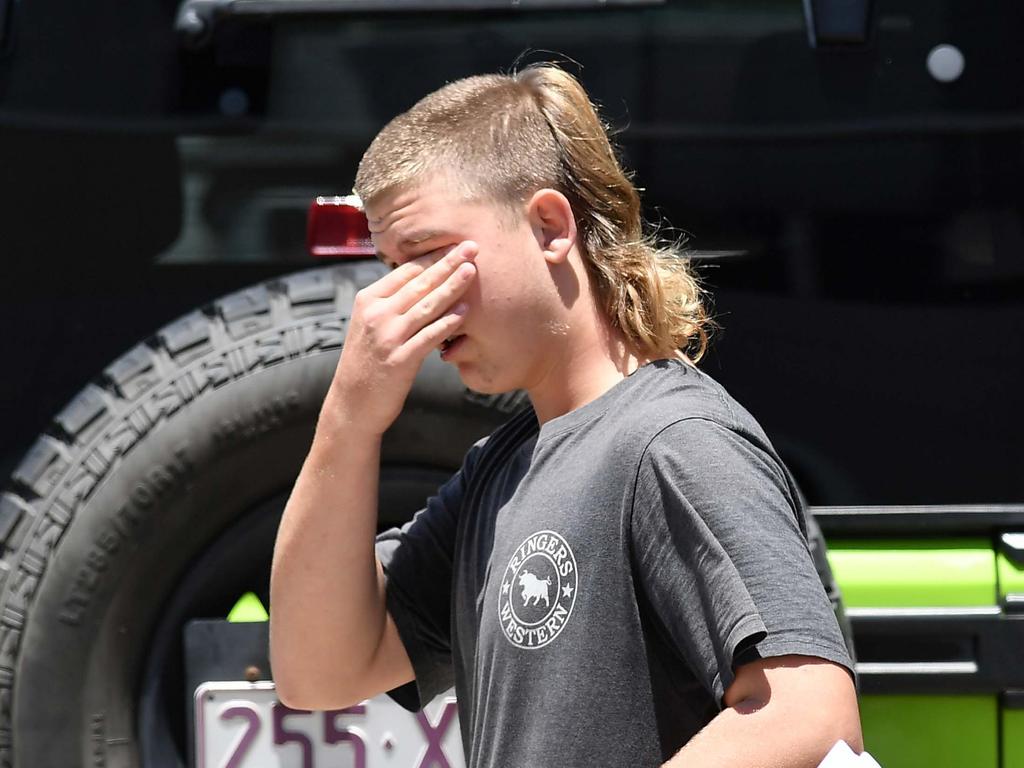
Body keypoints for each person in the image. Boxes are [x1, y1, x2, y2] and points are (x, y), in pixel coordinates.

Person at [269, 63, 863, 767]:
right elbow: (320, 670)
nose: (401, 301)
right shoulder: (503, 467)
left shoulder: (673, 442)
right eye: (390, 268)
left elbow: (808, 716)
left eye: (426, 257)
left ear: (551, 225)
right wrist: (348, 420)